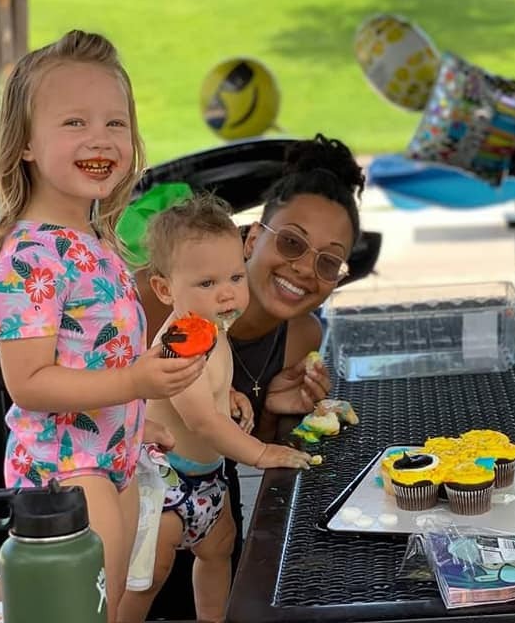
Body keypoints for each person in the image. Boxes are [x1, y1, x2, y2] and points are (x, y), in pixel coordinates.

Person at [0, 30, 206, 622]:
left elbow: (95, 358)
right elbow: (30, 382)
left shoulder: (95, 239)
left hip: (115, 457)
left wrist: (138, 415)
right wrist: (136, 384)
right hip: (65, 472)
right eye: (74, 122)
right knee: (68, 609)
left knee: (83, 608)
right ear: (25, 143)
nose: (100, 138)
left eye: (115, 123)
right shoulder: (30, 255)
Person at [139, 133, 366, 619]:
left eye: (328, 261)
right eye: (290, 241)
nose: (305, 268)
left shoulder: (303, 334)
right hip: (138, 491)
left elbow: (234, 432)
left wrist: (270, 412)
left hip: (210, 496)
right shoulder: (155, 295)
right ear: (251, 237)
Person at [118, 194, 313, 622]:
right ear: (165, 289)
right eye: (207, 284)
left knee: (220, 549)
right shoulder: (177, 348)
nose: (226, 293)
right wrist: (260, 452)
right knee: (150, 574)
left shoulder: (211, 328)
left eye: (234, 277)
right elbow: (200, 420)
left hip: (206, 478)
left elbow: (209, 391)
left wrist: (226, 393)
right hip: (166, 480)